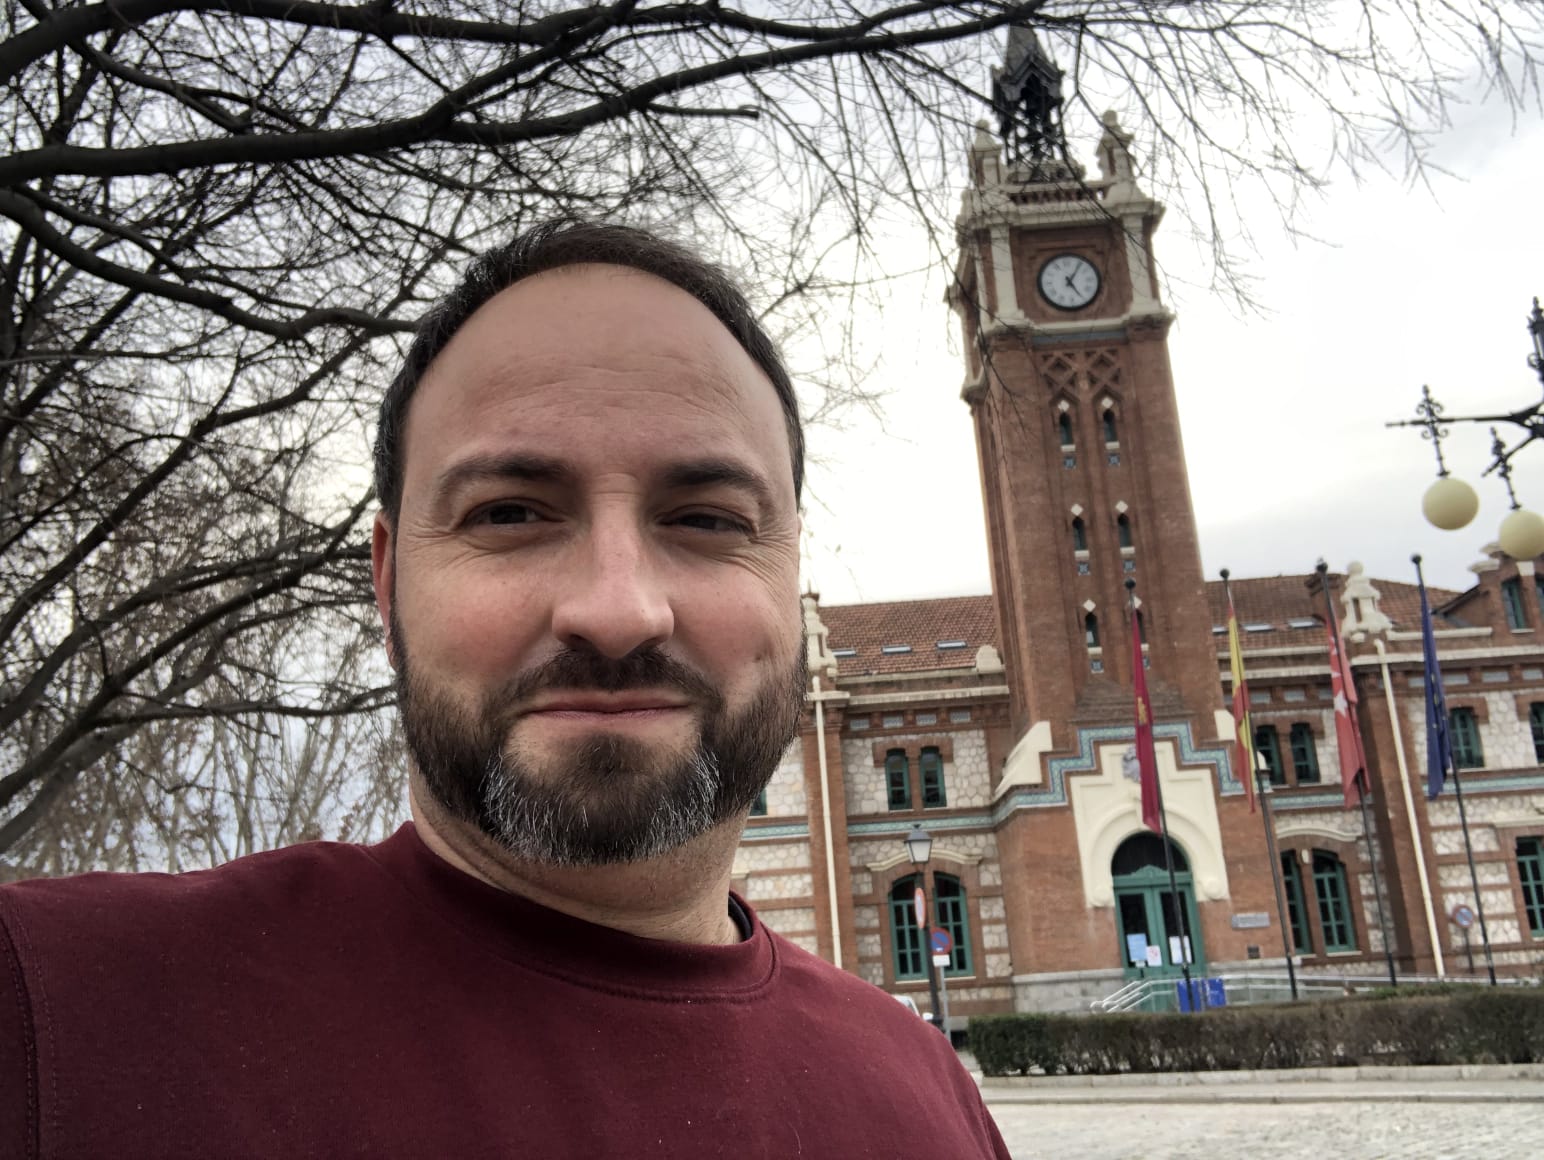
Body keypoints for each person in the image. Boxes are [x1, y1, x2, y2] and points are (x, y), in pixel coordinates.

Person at [0, 220, 1010, 1159]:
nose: (617, 609)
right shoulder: (55, 1005)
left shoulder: (928, 1096)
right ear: (389, 580)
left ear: (791, 583)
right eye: (511, 511)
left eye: (705, 519)